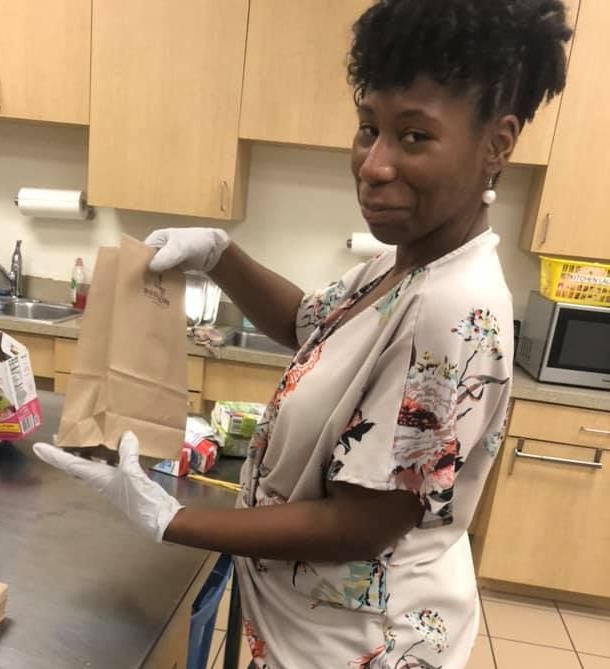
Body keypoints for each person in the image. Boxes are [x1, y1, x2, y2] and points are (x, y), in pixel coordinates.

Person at [35, 1, 573, 667]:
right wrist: (219, 255)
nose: (373, 164)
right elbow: (309, 323)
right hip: (312, 627)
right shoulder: (404, 265)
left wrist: (171, 518)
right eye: (368, 127)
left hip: (356, 647)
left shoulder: (453, 307)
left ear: (497, 142)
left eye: (414, 137)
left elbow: (362, 523)